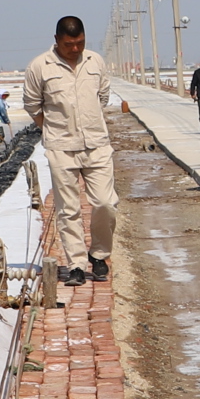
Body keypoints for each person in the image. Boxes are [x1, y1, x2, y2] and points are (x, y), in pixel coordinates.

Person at [21, 15, 119, 286]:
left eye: (80, 43)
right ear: (56, 40)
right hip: (61, 147)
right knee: (68, 208)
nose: (75, 49)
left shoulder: (95, 61)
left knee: (105, 203)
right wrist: (51, 130)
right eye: (68, 45)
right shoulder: (39, 66)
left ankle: (99, 255)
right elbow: (32, 105)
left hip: (96, 144)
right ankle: (76, 264)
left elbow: (103, 96)